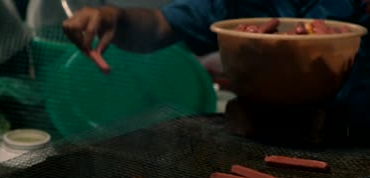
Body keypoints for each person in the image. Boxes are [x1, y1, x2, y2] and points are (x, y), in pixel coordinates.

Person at [62, 0, 370, 137]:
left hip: (354, 143)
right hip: (263, 139)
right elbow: (159, 25)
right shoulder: (235, 3)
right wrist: (115, 17)